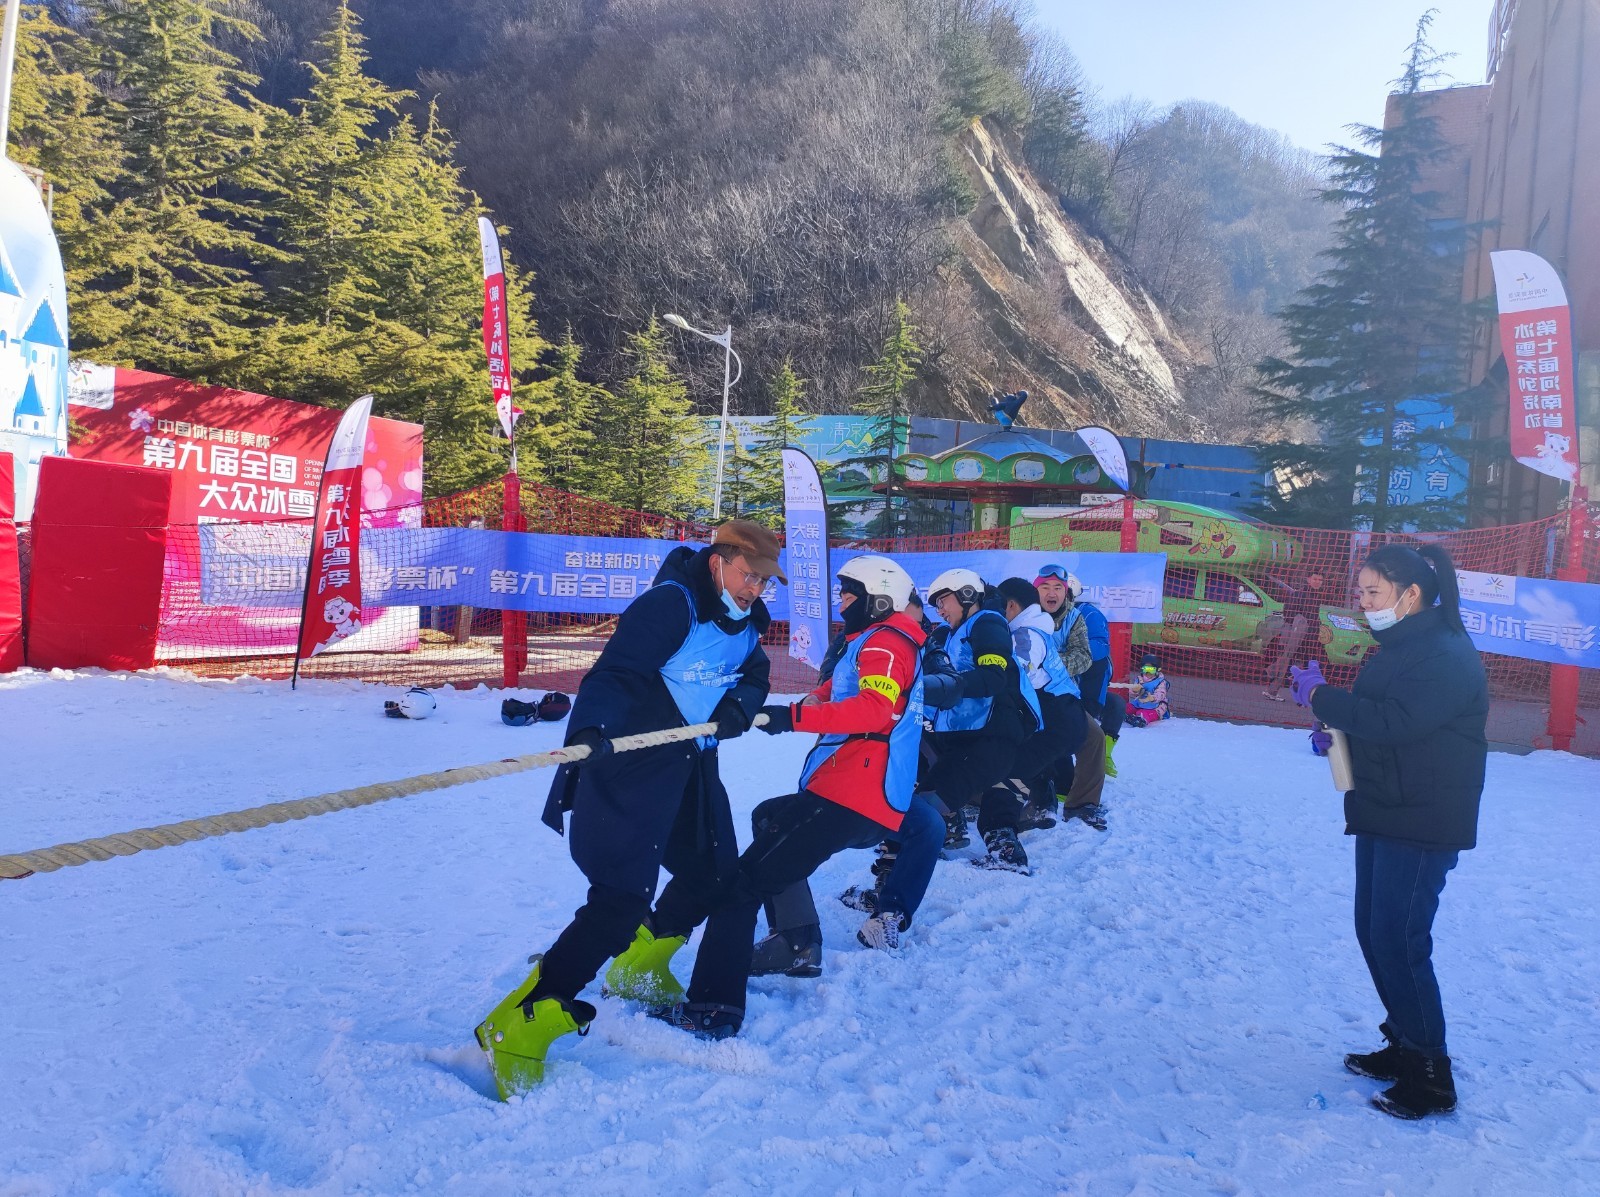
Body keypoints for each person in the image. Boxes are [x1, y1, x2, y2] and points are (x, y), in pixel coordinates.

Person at [473, 520, 781, 1097]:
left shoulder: (745, 620)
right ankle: (524, 1020)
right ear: (720, 560)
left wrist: (739, 705)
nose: (756, 590)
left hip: (690, 765)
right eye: (750, 576)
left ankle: (651, 971)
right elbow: (615, 672)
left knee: (720, 876)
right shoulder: (672, 604)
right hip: (630, 765)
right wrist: (591, 729)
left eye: (765, 582)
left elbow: (755, 674)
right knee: (619, 901)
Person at [622, 554, 929, 1037]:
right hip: (855, 792)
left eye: (851, 592)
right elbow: (836, 692)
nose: (842, 600)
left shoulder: (887, 642)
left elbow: (874, 710)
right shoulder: (872, 641)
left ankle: (713, 1008)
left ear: (880, 597)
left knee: (741, 885)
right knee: (770, 819)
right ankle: (797, 940)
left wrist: (796, 719)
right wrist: (787, 707)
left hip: (852, 794)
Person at [1288, 543, 1486, 1121]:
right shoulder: (1399, 646)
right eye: (1361, 593)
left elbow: (1397, 722)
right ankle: (1404, 1042)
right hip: (1384, 803)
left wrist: (1325, 698)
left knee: (1400, 939)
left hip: (1424, 817)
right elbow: (1377, 717)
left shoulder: (1445, 652)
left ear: (1411, 595)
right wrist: (1334, 732)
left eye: (1372, 592)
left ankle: (1430, 1074)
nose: (1363, 602)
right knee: (1375, 931)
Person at [922, 568, 1042, 871]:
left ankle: (1005, 856)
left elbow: (993, 678)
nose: (940, 610)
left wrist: (945, 685)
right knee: (927, 793)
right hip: (967, 736)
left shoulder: (987, 622)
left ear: (966, 596)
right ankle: (933, 836)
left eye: (943, 601)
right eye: (935, 605)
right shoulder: (948, 633)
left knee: (929, 802)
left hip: (994, 736)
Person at [995, 577, 1087, 831]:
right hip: (1064, 717)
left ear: (1011, 606)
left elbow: (1018, 668)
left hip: (1058, 717)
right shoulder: (1036, 629)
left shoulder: (1026, 635)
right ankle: (1043, 805)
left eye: (997, 605)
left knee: (1009, 767)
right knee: (1028, 755)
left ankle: (1003, 838)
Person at [1035, 566, 1112, 829]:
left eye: (1057, 588)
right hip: (1026, 695)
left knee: (1094, 738)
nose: (1051, 593)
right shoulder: (1026, 614)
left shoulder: (1075, 618)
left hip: (1061, 694)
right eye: (1045, 587)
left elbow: (1085, 656)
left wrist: (1049, 664)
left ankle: (1082, 804)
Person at [1263, 568, 1327, 701]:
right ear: (1308, 579)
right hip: (1296, 637)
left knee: (1301, 665)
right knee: (1288, 663)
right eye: (1315, 579)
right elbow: (1289, 613)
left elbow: (1313, 617)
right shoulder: (1300, 594)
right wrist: (1298, 628)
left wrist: (1316, 630)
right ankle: (1273, 684)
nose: (1317, 582)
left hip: (1309, 638)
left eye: (1320, 580)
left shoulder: (1316, 596)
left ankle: (1303, 693)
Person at [1126, 653, 1170, 725]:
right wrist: (1135, 690)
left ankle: (1141, 720)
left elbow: (1161, 694)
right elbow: (1132, 691)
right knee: (1127, 707)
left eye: (1151, 669)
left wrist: (1152, 698)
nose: (1148, 672)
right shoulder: (1140, 679)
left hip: (1155, 707)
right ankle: (1119, 714)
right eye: (1145, 669)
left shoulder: (1160, 682)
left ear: (1157, 670)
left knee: (1143, 713)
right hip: (1140, 703)